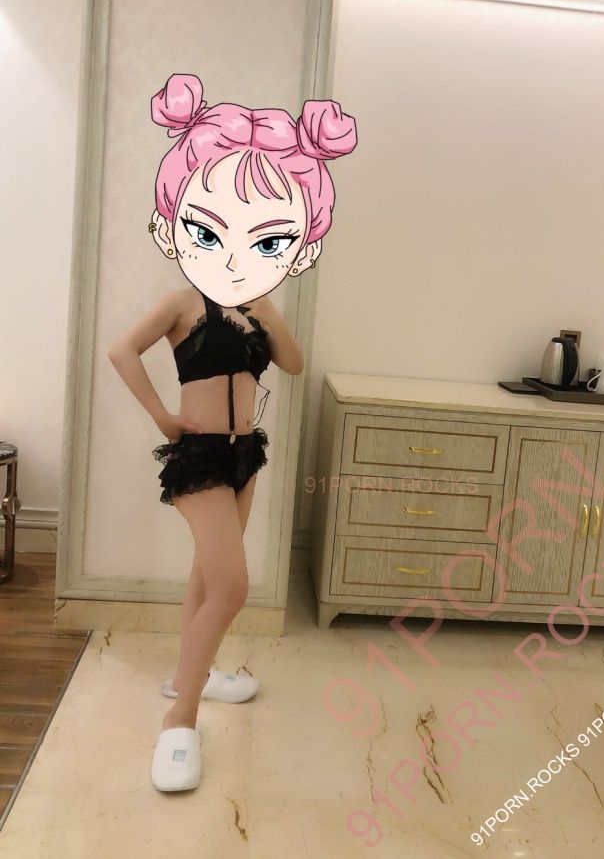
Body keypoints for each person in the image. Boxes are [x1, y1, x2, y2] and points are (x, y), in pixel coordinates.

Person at [107, 73, 357, 792]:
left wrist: (269, 308)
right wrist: (163, 417)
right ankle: (179, 719)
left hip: (246, 453)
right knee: (234, 586)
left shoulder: (254, 311)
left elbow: (296, 364)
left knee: (207, 577)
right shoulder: (182, 301)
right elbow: (122, 351)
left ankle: (197, 672)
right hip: (199, 455)